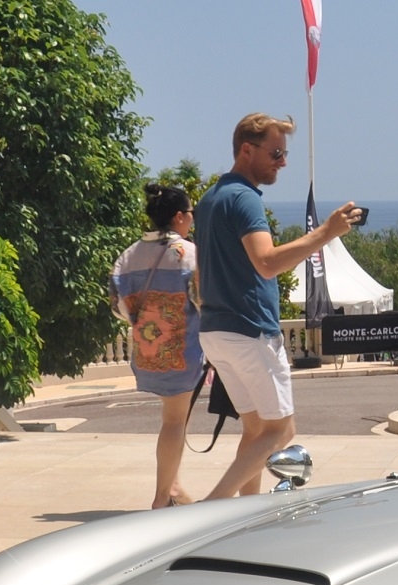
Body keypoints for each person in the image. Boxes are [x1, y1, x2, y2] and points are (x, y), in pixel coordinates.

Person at [194, 113, 365, 498]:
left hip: (217, 330)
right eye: (275, 153)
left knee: (256, 431)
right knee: (280, 432)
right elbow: (267, 263)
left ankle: (244, 514)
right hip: (249, 331)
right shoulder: (245, 199)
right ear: (246, 150)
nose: (282, 162)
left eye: (284, 154)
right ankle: (212, 508)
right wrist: (326, 232)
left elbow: (202, 275)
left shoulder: (211, 199)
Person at [113, 180, 206, 508]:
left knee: (173, 421)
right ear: (179, 217)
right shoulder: (188, 254)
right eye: (191, 213)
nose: (193, 218)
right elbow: (202, 301)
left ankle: (175, 489)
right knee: (174, 422)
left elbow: (119, 307)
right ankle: (162, 497)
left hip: (147, 350)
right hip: (182, 351)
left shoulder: (128, 256)